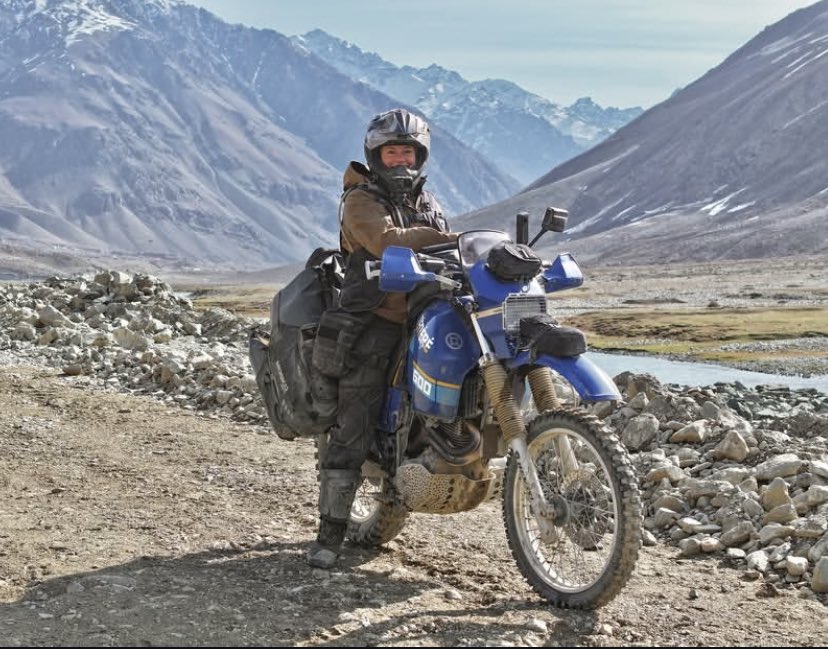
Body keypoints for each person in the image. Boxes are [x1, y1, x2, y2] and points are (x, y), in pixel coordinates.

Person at [306, 108, 459, 569]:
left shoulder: (427, 200)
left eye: (407, 152)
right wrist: (446, 239)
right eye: (391, 151)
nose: (400, 160)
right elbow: (387, 241)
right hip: (372, 318)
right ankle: (330, 534)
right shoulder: (359, 200)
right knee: (355, 420)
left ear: (419, 155)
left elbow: (445, 244)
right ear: (375, 155)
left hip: (422, 313)